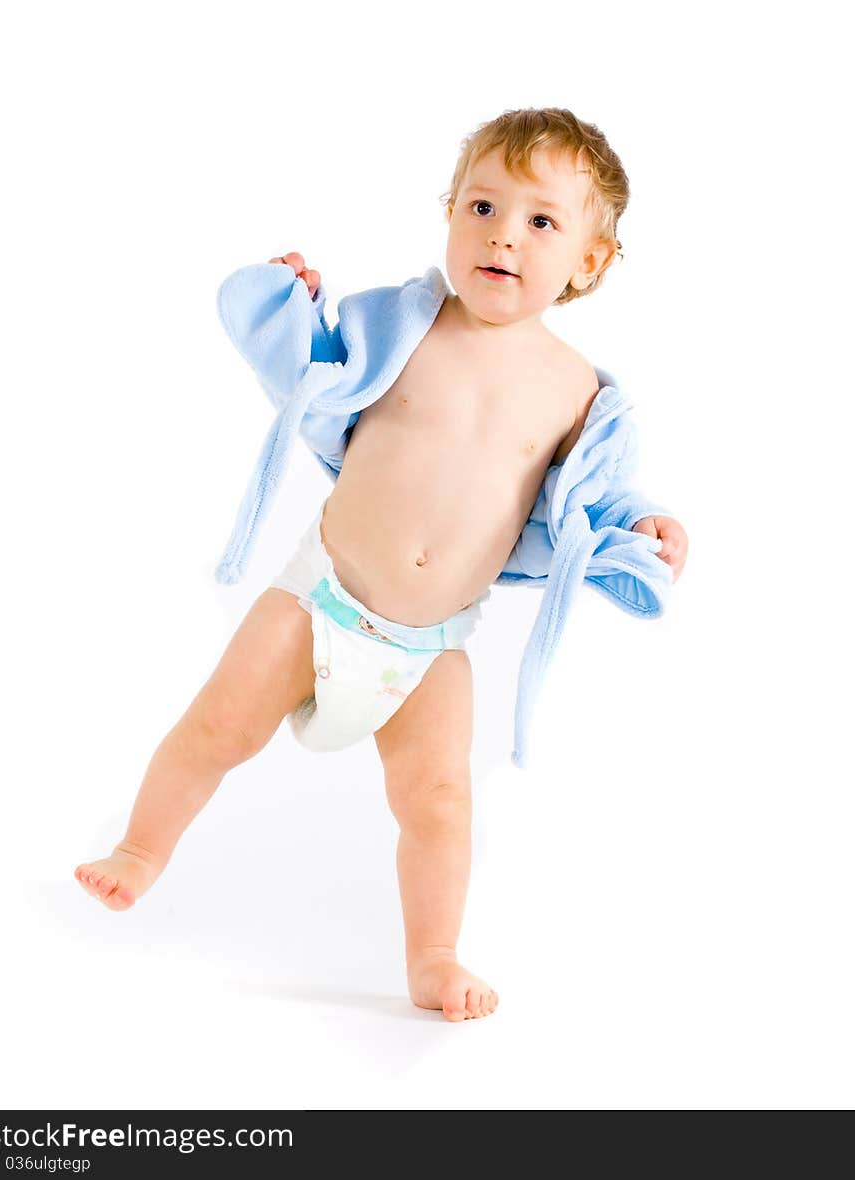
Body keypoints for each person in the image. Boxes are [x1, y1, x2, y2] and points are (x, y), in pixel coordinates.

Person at [74, 107, 689, 1023]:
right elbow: (311, 363)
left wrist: (643, 526)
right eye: (482, 205)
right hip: (319, 597)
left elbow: (586, 508)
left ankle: (434, 957)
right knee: (216, 729)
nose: (502, 237)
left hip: (433, 646)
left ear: (589, 263)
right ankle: (140, 850)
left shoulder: (579, 394)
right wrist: (285, 300)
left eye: (542, 222)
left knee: (440, 803)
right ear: (449, 211)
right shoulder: (402, 324)